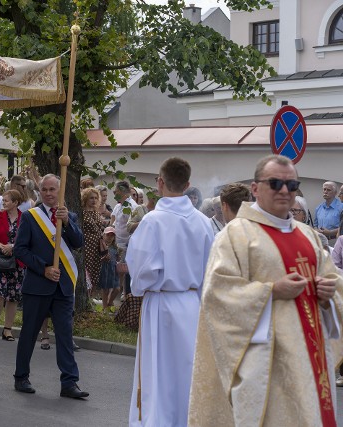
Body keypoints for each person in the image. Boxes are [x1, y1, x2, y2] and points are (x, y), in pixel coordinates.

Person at [189, 154, 343, 426]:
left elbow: (333, 280)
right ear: (256, 188)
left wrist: (328, 293)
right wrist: (271, 291)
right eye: (275, 183)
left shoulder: (308, 235)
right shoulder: (236, 235)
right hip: (266, 364)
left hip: (312, 358)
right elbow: (217, 295)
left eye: (292, 185)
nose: (285, 191)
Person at [127, 157, 214, 426]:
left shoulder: (153, 221)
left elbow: (139, 272)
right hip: (191, 304)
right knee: (187, 371)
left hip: (161, 305)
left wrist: (141, 287)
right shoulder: (203, 222)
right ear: (188, 185)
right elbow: (210, 269)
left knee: (158, 372)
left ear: (160, 182)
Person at [13, 174, 88, 399]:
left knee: (65, 336)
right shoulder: (30, 217)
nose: (48, 193)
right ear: (40, 191)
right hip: (38, 285)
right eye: (44, 189)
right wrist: (43, 267)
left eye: (52, 189)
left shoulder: (69, 215)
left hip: (63, 287)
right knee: (29, 333)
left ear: (59, 190)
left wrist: (67, 223)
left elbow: (78, 243)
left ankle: (69, 382)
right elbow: (20, 250)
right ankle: (21, 376)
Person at [0, 189, 25, 341]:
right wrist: (3, 246)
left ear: (16, 203)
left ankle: (8, 329)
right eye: (3, 201)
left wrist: (13, 247)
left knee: (13, 296)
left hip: (17, 262)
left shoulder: (25, 218)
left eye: (7, 201)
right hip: (0, 261)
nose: (3, 203)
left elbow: (27, 240)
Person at [81, 187, 105, 295]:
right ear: (85, 198)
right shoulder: (82, 212)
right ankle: (85, 295)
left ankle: (90, 297)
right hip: (86, 246)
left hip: (96, 247)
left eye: (96, 198)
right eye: (91, 198)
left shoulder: (96, 212)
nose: (94, 200)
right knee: (86, 272)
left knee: (95, 271)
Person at [99, 227, 120, 312]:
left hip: (113, 270)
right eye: (108, 235)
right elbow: (97, 259)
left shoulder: (115, 247)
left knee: (117, 288)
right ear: (103, 235)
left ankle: (110, 302)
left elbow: (117, 259)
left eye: (112, 236)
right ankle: (105, 308)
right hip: (104, 270)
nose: (109, 237)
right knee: (105, 289)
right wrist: (103, 258)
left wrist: (119, 256)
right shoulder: (101, 245)